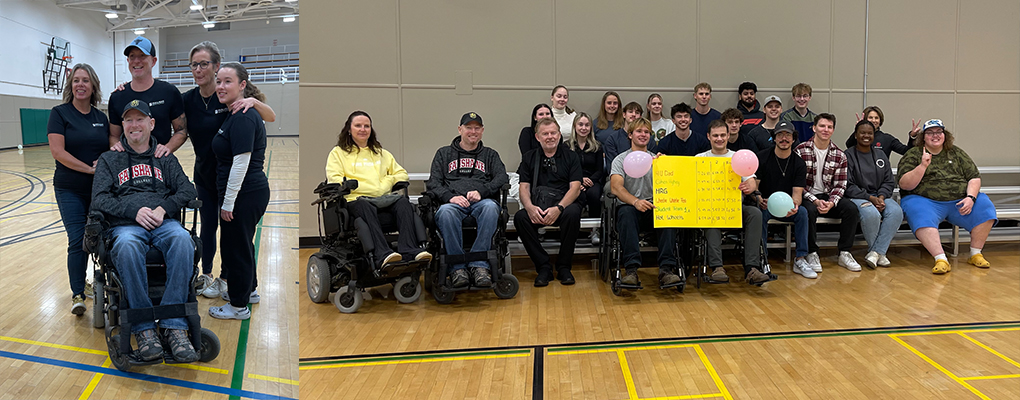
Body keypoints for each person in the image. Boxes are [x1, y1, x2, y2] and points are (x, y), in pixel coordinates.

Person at [91, 99, 199, 362]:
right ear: (123, 126)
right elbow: (99, 199)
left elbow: (187, 190)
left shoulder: (164, 157)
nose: (134, 125)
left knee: (183, 240)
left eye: (140, 119)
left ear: (151, 124)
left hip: (164, 223)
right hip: (125, 225)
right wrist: (133, 211)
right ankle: (144, 327)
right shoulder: (110, 159)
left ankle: (174, 325)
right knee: (126, 246)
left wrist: (163, 208)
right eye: (129, 120)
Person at [178, 41, 277, 299]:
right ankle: (208, 274)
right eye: (194, 65)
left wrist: (254, 101)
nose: (198, 70)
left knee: (233, 235)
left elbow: (271, 117)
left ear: (216, 66)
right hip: (205, 176)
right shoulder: (187, 100)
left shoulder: (237, 103)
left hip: (233, 178)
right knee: (208, 227)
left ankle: (227, 278)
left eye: (204, 64)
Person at [208, 63, 275, 320]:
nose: (221, 87)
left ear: (242, 85)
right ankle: (250, 291)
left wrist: (228, 203)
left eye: (228, 82)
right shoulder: (237, 112)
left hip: (245, 193)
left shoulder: (244, 116)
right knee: (242, 244)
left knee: (235, 247)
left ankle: (237, 306)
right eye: (219, 81)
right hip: (247, 193)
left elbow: (241, 163)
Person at [48, 63, 112, 315]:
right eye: (76, 80)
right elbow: (58, 151)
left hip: (99, 190)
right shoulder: (60, 113)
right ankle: (77, 293)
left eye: (85, 80)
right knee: (77, 240)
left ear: (93, 85)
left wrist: (103, 160)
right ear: (70, 85)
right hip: (69, 188)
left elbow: (110, 146)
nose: (80, 85)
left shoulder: (100, 118)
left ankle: (102, 286)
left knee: (102, 238)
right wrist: (88, 169)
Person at [897, 119, 996, 274]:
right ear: (923, 137)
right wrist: (922, 166)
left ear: (945, 135)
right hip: (925, 201)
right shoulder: (913, 154)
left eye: (938, 132)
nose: (935, 136)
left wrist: (971, 197)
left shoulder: (956, 152)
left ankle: (975, 253)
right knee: (916, 209)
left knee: (985, 205)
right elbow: (904, 184)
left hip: (959, 201)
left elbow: (974, 177)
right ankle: (940, 258)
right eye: (930, 133)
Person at [427, 112, 508, 287]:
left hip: (481, 202)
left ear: (482, 130)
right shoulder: (444, 154)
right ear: (460, 129)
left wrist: (482, 191)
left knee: (491, 208)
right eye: (469, 127)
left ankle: (479, 266)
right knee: (445, 212)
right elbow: (433, 183)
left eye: (477, 128)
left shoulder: (490, 155)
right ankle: (457, 268)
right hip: (453, 203)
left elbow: (502, 178)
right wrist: (450, 197)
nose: (473, 131)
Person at [610, 118, 682, 287]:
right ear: (630, 135)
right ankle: (631, 270)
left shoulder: (657, 160)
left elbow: (674, 186)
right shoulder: (620, 160)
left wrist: (666, 167)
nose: (643, 135)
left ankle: (666, 270)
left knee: (667, 215)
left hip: (654, 207)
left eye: (646, 132)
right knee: (626, 213)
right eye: (639, 131)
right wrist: (635, 202)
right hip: (631, 208)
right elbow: (615, 188)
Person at [697, 120, 770, 284]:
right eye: (715, 135)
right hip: (710, 209)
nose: (719, 139)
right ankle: (717, 267)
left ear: (729, 136)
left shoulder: (738, 157)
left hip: (735, 207)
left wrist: (749, 186)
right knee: (710, 218)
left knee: (755, 213)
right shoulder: (699, 159)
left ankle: (752, 267)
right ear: (708, 137)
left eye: (723, 135)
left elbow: (752, 181)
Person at [515, 118, 583, 287]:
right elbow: (524, 188)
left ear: (559, 135)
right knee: (520, 218)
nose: (550, 137)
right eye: (545, 134)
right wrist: (530, 208)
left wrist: (559, 208)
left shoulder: (571, 156)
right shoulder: (529, 158)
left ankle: (564, 267)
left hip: (563, 206)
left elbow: (575, 188)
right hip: (538, 206)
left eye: (553, 133)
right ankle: (543, 267)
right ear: (538, 137)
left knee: (573, 213)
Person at [793, 113, 862, 273]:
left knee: (851, 209)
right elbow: (797, 184)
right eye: (822, 126)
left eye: (829, 127)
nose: (826, 130)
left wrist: (832, 202)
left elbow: (840, 185)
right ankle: (812, 252)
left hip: (828, 196)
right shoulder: (800, 151)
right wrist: (815, 201)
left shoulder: (840, 155)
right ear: (814, 128)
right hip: (807, 195)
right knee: (807, 211)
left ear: (833, 130)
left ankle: (844, 252)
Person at [108, 36, 186, 156]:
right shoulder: (117, 97)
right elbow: (114, 135)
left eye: (142, 56)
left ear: (154, 61)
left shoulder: (169, 92)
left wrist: (166, 149)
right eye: (132, 56)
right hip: (129, 165)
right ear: (128, 61)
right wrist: (116, 146)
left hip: (160, 164)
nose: (136, 61)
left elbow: (181, 130)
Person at [755, 122, 814, 278]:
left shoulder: (799, 163)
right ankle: (763, 258)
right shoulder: (762, 157)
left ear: (793, 138)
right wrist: (759, 198)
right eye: (780, 135)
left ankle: (800, 258)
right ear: (774, 138)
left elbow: (797, 194)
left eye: (787, 135)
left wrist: (793, 206)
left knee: (802, 212)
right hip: (766, 205)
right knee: (757, 214)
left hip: (787, 207)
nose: (784, 138)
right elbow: (755, 186)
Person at [844, 120, 903, 269]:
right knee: (871, 214)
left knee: (896, 212)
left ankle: (875, 253)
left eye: (869, 133)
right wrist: (871, 198)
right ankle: (878, 253)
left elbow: (889, 181)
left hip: (880, 196)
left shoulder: (881, 155)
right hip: (858, 197)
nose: (866, 136)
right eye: (862, 133)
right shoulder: (848, 155)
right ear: (856, 135)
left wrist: (881, 197)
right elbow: (848, 185)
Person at [566, 112, 605, 219]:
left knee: (593, 195)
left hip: (592, 181)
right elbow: (565, 169)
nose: (584, 128)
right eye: (580, 124)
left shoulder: (597, 146)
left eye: (587, 125)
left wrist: (589, 181)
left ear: (591, 127)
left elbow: (599, 170)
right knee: (578, 195)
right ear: (575, 126)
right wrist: (579, 180)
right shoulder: (567, 146)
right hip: (573, 181)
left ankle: (594, 230)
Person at [845, 105, 922, 157]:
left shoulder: (887, 139)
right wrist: (859, 129)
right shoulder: (860, 137)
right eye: (870, 117)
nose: (873, 120)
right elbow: (849, 145)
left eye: (876, 118)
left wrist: (913, 136)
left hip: (880, 176)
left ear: (880, 120)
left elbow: (906, 151)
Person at [603, 102, 645, 170]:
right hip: (618, 176)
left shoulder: (647, 138)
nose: (633, 115)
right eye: (630, 112)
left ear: (640, 117)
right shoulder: (612, 139)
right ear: (624, 114)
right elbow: (612, 166)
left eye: (637, 113)